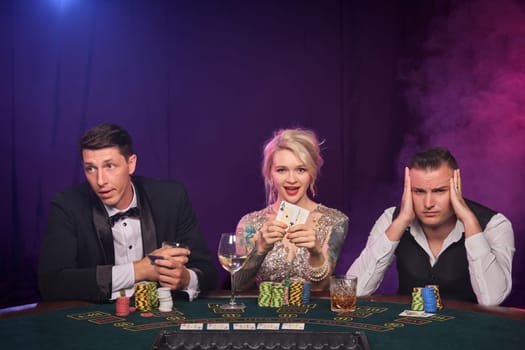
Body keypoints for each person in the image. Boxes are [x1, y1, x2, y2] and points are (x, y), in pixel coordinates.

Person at [38, 123, 217, 302]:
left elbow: (207, 272)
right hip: (96, 321)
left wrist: (186, 278)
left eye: (110, 166)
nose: (100, 180)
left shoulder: (171, 198)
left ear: (131, 164)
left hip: (162, 317)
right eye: (90, 168)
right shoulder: (67, 206)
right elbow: (52, 283)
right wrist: (138, 270)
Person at [347, 147, 514, 305]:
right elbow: (353, 291)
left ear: (457, 186)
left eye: (439, 191)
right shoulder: (392, 219)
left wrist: (469, 221)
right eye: (419, 191)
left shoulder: (494, 225)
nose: (428, 203)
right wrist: (400, 222)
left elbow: (492, 299)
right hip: (407, 329)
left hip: (471, 331)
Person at [234, 128, 349, 291]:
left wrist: (315, 252)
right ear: (270, 174)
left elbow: (319, 288)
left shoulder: (336, 221)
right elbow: (237, 286)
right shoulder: (249, 224)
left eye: (300, 169)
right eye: (282, 170)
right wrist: (260, 249)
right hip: (264, 315)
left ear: (312, 173)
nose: (291, 179)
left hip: (313, 316)